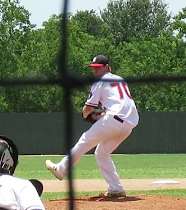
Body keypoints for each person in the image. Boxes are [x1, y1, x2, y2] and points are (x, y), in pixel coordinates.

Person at [45, 54, 139, 198]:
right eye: (93, 68)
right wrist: (103, 114)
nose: (95, 71)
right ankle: (116, 189)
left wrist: (85, 115)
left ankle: (61, 169)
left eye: (98, 68)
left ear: (107, 67)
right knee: (101, 152)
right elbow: (118, 102)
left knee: (84, 140)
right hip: (128, 124)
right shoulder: (119, 79)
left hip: (114, 119)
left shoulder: (100, 82)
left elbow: (88, 108)